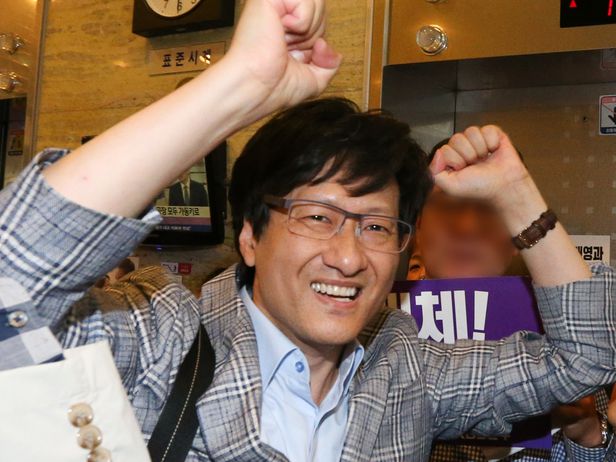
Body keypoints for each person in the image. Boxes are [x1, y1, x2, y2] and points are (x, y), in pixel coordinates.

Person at [0, 2, 615, 462]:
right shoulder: (161, 337)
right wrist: (240, 83)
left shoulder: (404, 369)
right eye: (317, 217)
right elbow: (11, 286)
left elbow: (583, 359)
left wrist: (515, 193)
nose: (348, 257)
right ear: (250, 236)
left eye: (377, 226)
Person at [413, 147, 613, 461]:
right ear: (417, 226)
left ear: (517, 240)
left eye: (490, 209)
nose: (467, 227)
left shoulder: (562, 336)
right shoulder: (379, 334)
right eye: (447, 206)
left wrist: (587, 432)